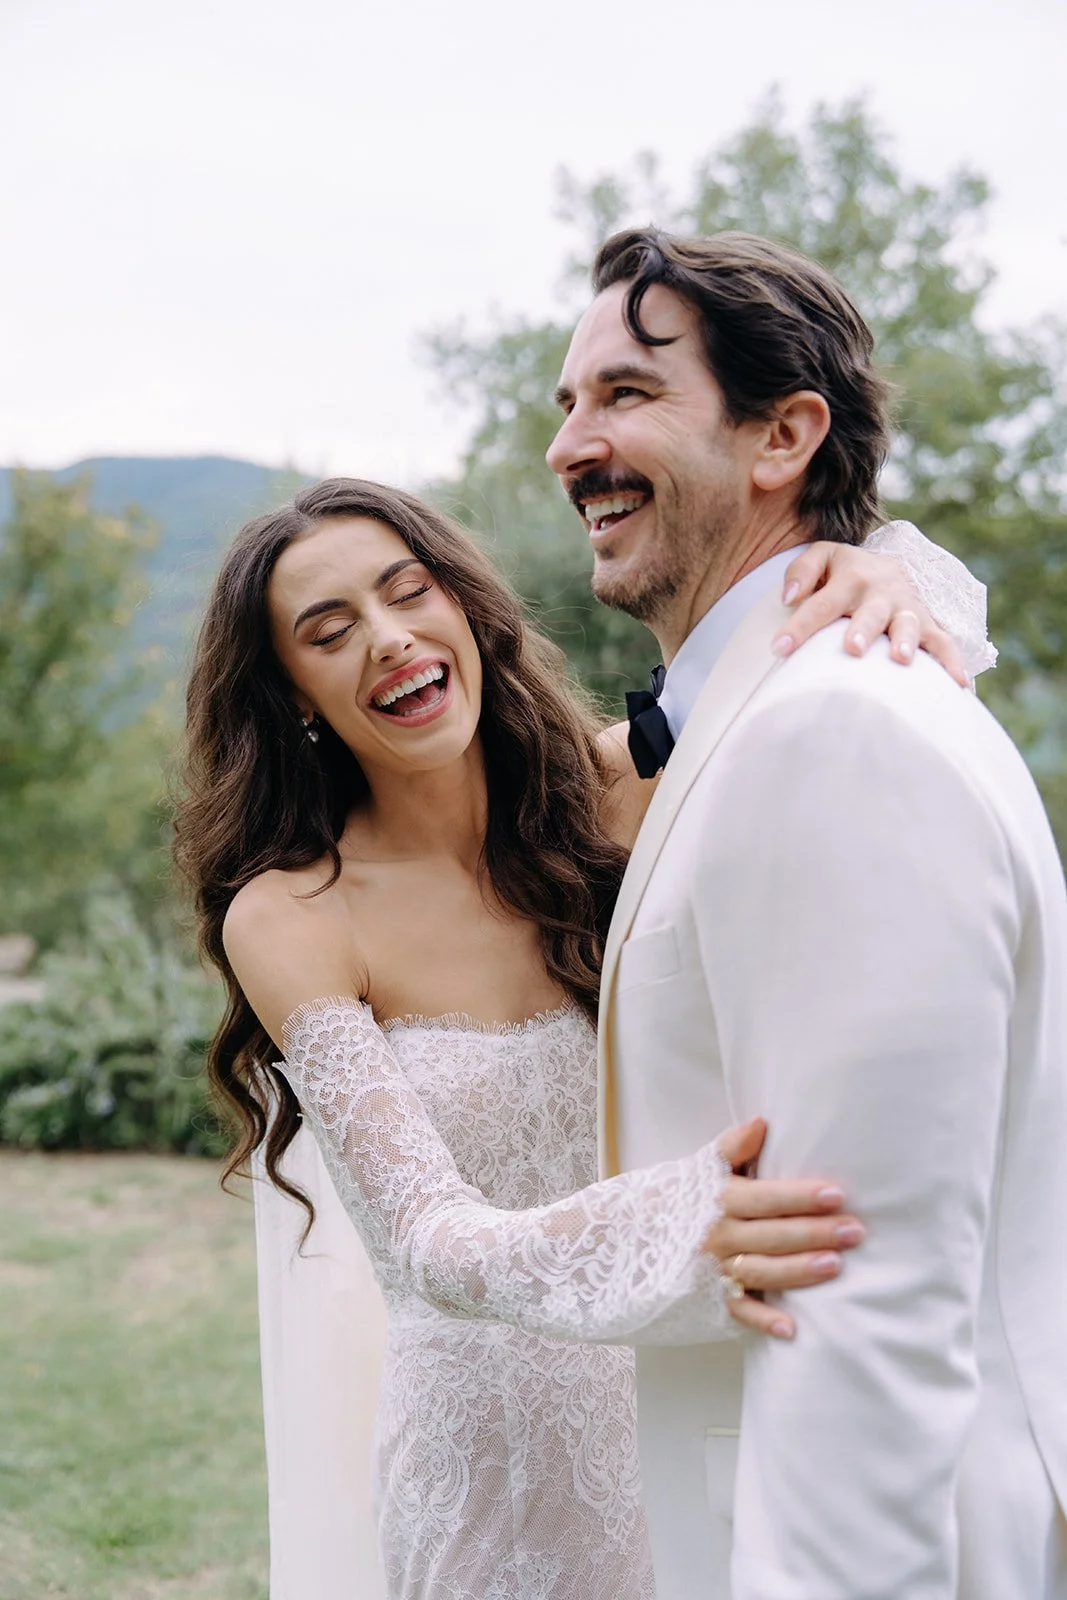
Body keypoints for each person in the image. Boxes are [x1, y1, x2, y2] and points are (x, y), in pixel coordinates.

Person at [175, 476, 986, 1600]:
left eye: (408, 593)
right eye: (329, 631)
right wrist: (678, 1224)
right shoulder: (292, 912)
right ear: (295, 695)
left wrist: (870, 573)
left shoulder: (609, 792)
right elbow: (424, 1242)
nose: (389, 639)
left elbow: (815, 663)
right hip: (486, 1475)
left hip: (680, 1413)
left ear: (462, 609)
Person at [544, 227, 1067, 1599]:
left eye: (625, 393)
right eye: (566, 404)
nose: (568, 447)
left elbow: (859, 1301)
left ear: (780, 435)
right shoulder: (775, 707)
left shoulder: (833, 728)